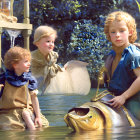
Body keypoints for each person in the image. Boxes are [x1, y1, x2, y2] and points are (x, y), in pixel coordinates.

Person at [31, 25, 91, 95]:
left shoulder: (52, 55)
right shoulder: (33, 56)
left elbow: (53, 67)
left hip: (50, 76)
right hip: (37, 76)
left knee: (66, 72)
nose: (51, 44)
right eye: (48, 41)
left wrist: (61, 69)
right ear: (37, 43)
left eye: (52, 42)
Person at [0, 46, 49, 130]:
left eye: (29, 61)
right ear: (15, 65)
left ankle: (30, 126)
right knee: (8, 127)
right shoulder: (3, 80)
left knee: (42, 125)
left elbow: (34, 99)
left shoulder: (30, 80)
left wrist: (38, 116)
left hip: (27, 111)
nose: (29, 64)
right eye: (26, 62)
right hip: (8, 113)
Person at [102, 11, 140, 120]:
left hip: (133, 100)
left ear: (130, 32)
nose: (117, 35)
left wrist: (123, 97)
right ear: (109, 34)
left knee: (135, 113)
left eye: (122, 31)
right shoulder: (111, 56)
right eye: (113, 32)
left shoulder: (133, 54)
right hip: (115, 98)